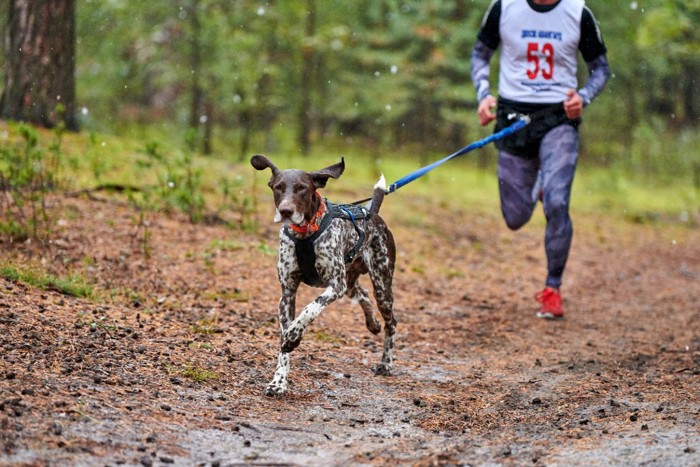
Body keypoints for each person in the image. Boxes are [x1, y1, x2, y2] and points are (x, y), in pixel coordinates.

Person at [470, 0, 610, 319]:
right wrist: (483, 94)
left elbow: (601, 68)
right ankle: (541, 185)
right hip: (512, 117)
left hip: (558, 117)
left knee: (558, 203)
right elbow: (480, 53)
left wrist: (583, 96)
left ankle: (552, 288)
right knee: (515, 217)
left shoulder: (578, 12)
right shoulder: (504, 8)